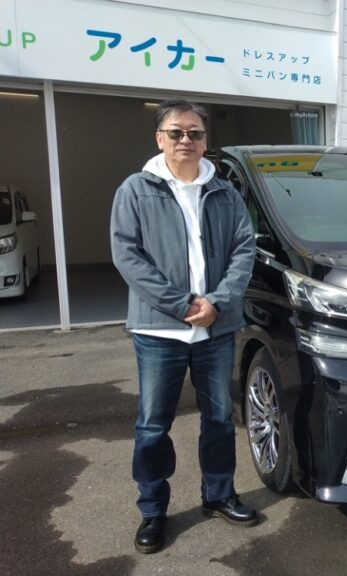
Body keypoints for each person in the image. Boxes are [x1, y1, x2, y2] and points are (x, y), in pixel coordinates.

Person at [110, 99, 258, 554]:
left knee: (219, 419)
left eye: (194, 132)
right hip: (159, 330)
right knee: (153, 425)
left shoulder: (225, 193)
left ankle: (219, 495)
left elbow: (244, 249)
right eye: (176, 132)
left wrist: (218, 302)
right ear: (160, 138)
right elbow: (127, 255)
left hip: (215, 328)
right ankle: (153, 510)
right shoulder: (135, 190)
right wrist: (180, 304)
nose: (186, 140)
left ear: (205, 140)